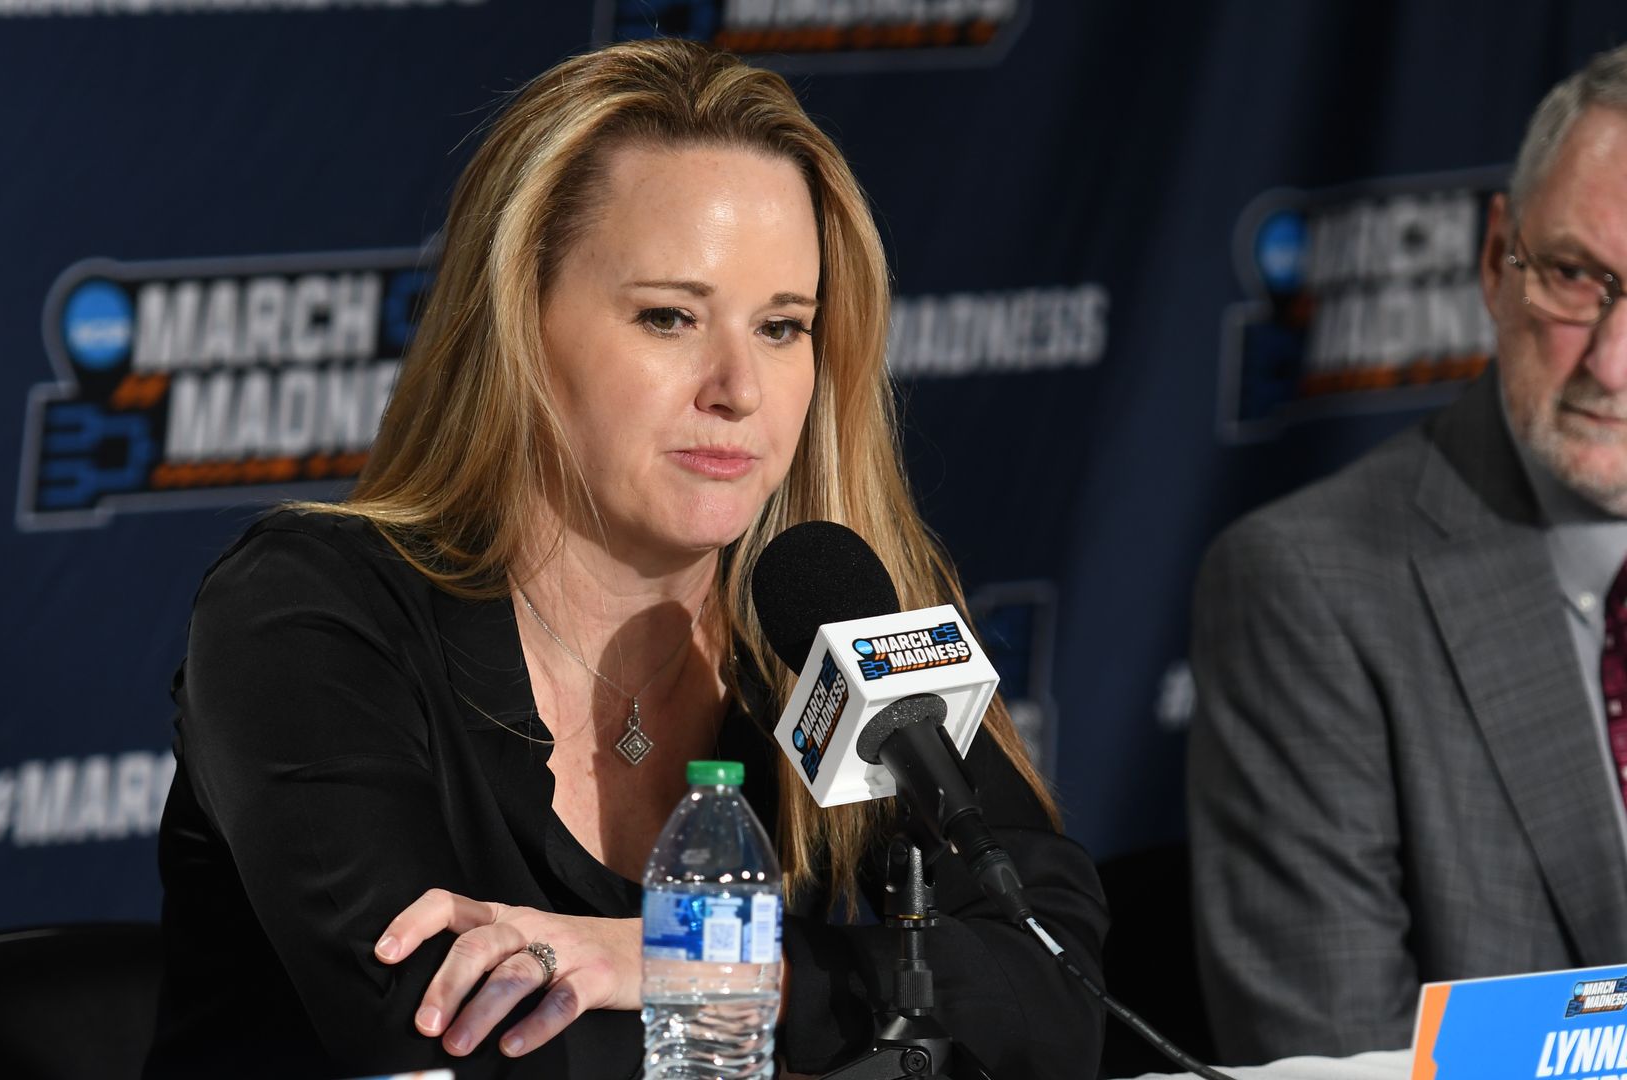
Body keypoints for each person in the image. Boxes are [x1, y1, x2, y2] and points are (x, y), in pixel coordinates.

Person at [140, 38, 1107, 1080]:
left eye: (783, 327)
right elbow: (450, 1044)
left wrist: (688, 965)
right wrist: (823, 1007)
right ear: (517, 327)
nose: (738, 388)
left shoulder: (825, 628)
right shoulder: (307, 612)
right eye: (669, 317)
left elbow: (1053, 997)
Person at [1188, 43, 1627, 1066]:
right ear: (1497, 257)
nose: (1611, 363)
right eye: (1576, 277)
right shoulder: (1307, 589)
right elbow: (1336, 1055)